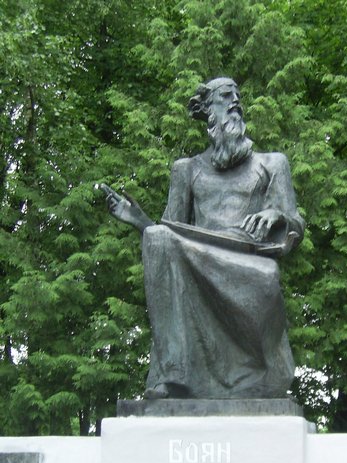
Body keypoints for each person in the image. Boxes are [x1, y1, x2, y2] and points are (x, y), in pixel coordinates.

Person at [102, 77, 304, 399]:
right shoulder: (186, 169)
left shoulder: (272, 163)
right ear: (208, 111)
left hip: (247, 259)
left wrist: (277, 215)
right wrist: (139, 221)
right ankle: (172, 373)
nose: (235, 102)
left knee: (265, 276)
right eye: (225, 96)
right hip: (198, 253)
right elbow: (170, 235)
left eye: (237, 96)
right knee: (156, 235)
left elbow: (295, 224)